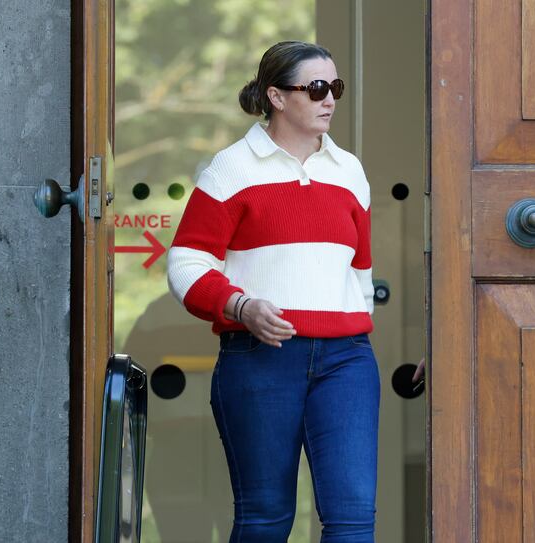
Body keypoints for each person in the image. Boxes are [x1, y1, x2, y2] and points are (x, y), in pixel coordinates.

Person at [166, 40, 379, 543]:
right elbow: (186, 261)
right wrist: (240, 305)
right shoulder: (231, 168)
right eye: (318, 88)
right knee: (265, 519)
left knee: (353, 522)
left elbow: (360, 273)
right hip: (260, 357)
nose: (330, 99)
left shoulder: (350, 171)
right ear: (276, 97)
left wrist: (356, 332)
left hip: (346, 360)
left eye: (336, 88)